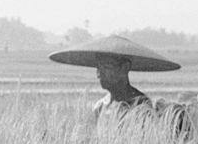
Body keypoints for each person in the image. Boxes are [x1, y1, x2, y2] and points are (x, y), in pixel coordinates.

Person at [48, 35, 181, 120]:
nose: (99, 73)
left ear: (124, 68)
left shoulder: (140, 106)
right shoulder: (99, 107)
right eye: (98, 67)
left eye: (106, 67)